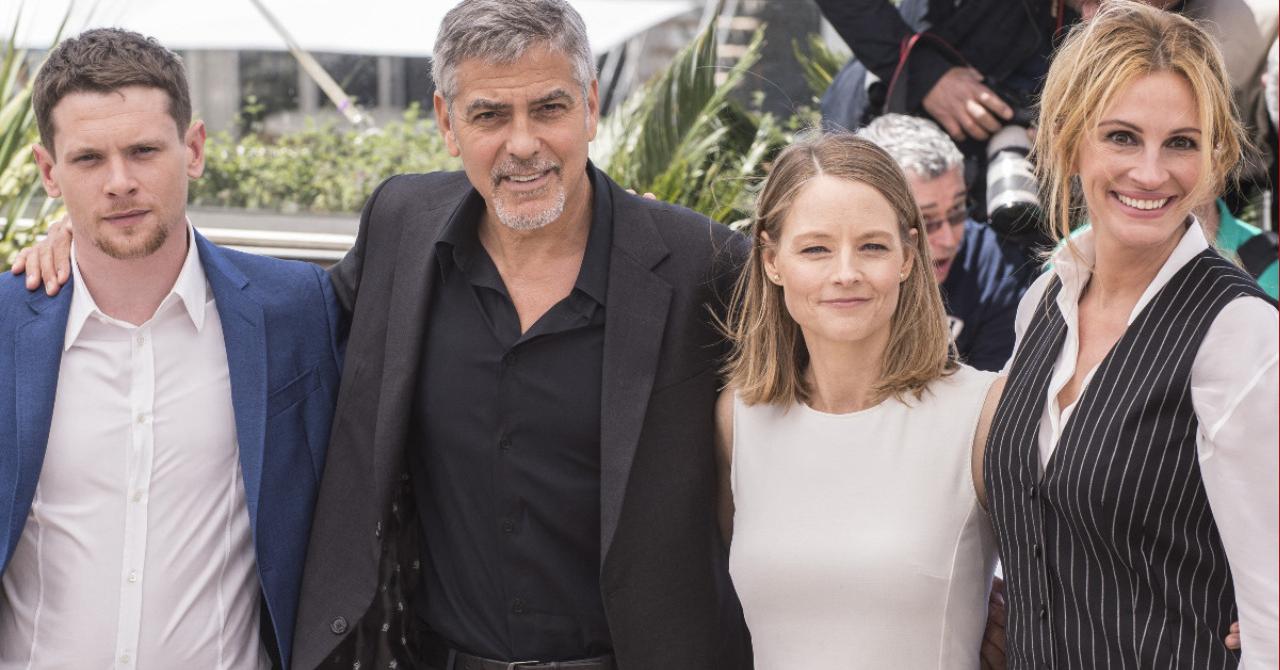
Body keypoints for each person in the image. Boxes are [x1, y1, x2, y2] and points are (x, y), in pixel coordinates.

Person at [286, 1, 749, 667]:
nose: (523, 143)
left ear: (591, 105)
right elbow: (289, 323)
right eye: (489, 115)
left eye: (550, 108)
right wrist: (97, 253)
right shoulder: (401, 225)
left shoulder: (703, 263)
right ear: (448, 123)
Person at [0, 28, 343, 668]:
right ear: (49, 171)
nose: (120, 182)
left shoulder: (295, 308)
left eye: (143, 150)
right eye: (88, 159)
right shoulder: (5, 323)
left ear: (193, 149)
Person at [982, 3, 1278, 667]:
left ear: (1214, 155)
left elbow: (1273, 610)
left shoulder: (1237, 330)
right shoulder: (1043, 305)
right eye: (1121, 137)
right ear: (1068, 139)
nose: (1151, 172)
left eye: (1181, 142)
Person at [716, 131, 1004, 667]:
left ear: (907, 256)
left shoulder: (982, 410)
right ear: (772, 260)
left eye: (872, 246)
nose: (845, 273)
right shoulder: (738, 417)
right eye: (816, 249)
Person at [858, 114, 1033, 370]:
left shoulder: (995, 270)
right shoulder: (833, 276)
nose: (949, 239)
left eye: (957, 212)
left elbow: (990, 399)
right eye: (926, 222)